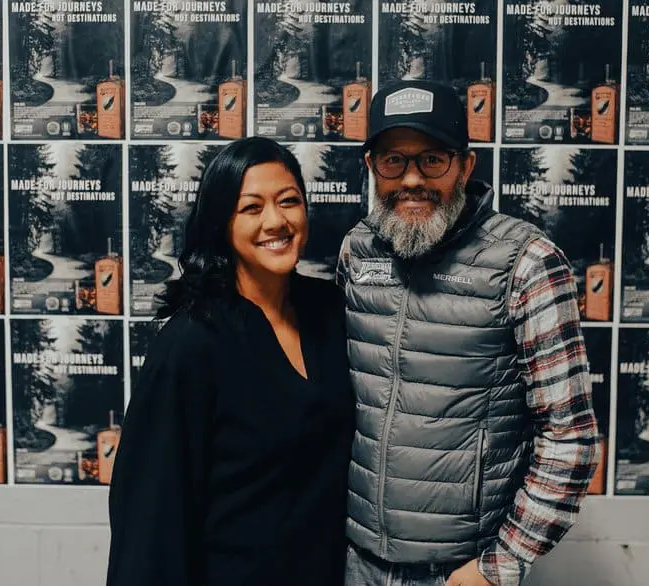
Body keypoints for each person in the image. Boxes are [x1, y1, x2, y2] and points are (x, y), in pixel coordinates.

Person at [336, 80, 601, 586]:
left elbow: (570, 435)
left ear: (465, 165)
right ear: (371, 167)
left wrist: (498, 565)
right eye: (393, 161)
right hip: (357, 561)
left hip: (458, 573)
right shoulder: (358, 251)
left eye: (432, 159)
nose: (411, 179)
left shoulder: (526, 262)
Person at [104, 136, 355, 586]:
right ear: (222, 222)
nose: (276, 221)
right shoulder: (192, 341)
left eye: (289, 201)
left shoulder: (331, 312)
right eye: (251, 208)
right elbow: (149, 515)